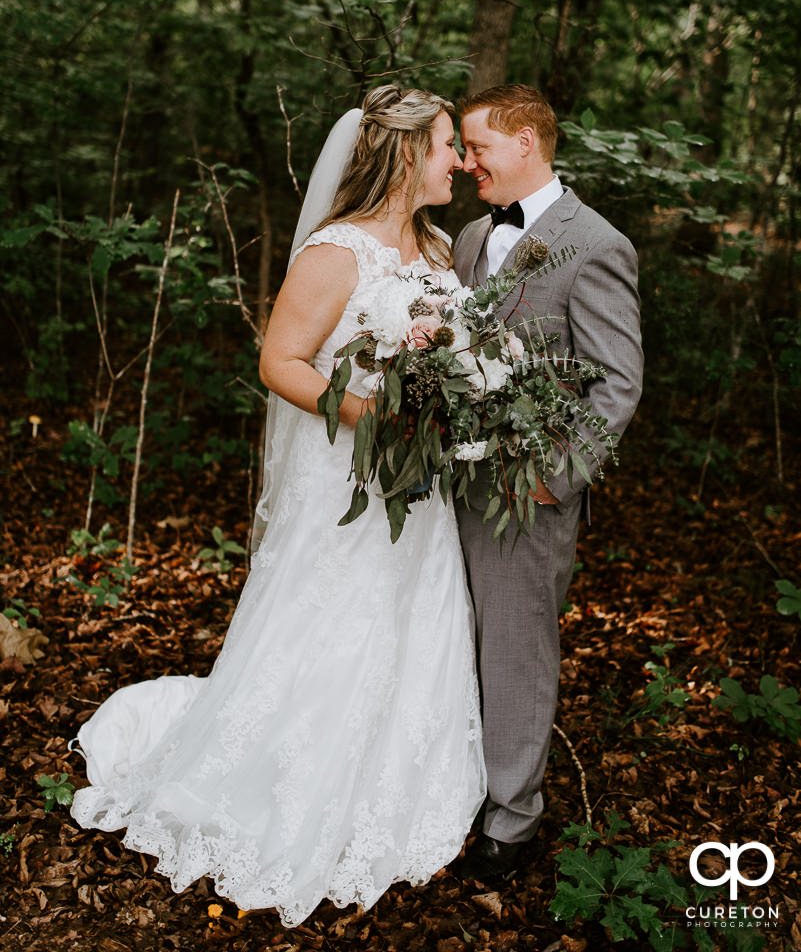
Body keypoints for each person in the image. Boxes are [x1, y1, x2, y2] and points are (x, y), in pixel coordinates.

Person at [69, 85, 486, 926]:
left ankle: (394, 785)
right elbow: (282, 362)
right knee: (334, 619)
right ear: (407, 154)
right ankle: (283, 783)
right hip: (348, 484)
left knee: (414, 615)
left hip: (420, 489)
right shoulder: (336, 252)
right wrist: (377, 420)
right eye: (446, 145)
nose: (457, 162)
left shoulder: (438, 248)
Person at [451, 84, 643, 882]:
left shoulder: (596, 244)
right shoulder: (465, 237)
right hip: (449, 482)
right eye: (460, 151)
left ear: (525, 142)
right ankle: (452, 784)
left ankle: (512, 818)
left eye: (478, 149)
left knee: (514, 650)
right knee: (448, 638)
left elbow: (616, 384)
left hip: (526, 494)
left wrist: (553, 479)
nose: (466, 166)